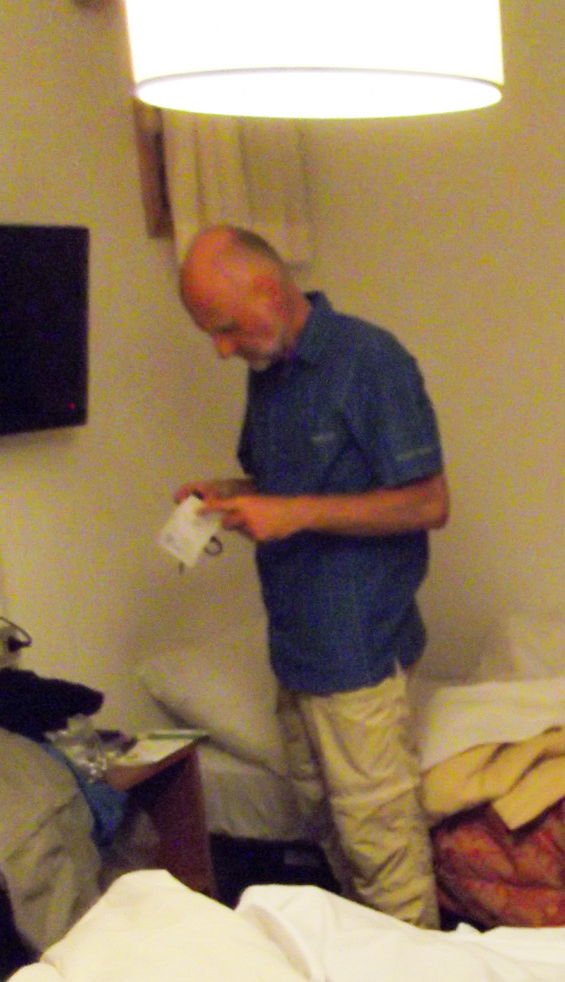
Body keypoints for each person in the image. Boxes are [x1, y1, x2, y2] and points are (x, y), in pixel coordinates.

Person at [174, 225, 447, 928]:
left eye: (226, 328)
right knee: (331, 832)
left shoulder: (369, 360)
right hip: (297, 648)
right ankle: (365, 970)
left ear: (268, 291)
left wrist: (291, 513)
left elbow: (428, 503)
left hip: (358, 648)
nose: (222, 350)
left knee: (381, 847)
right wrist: (230, 495)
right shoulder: (269, 372)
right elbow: (287, 489)